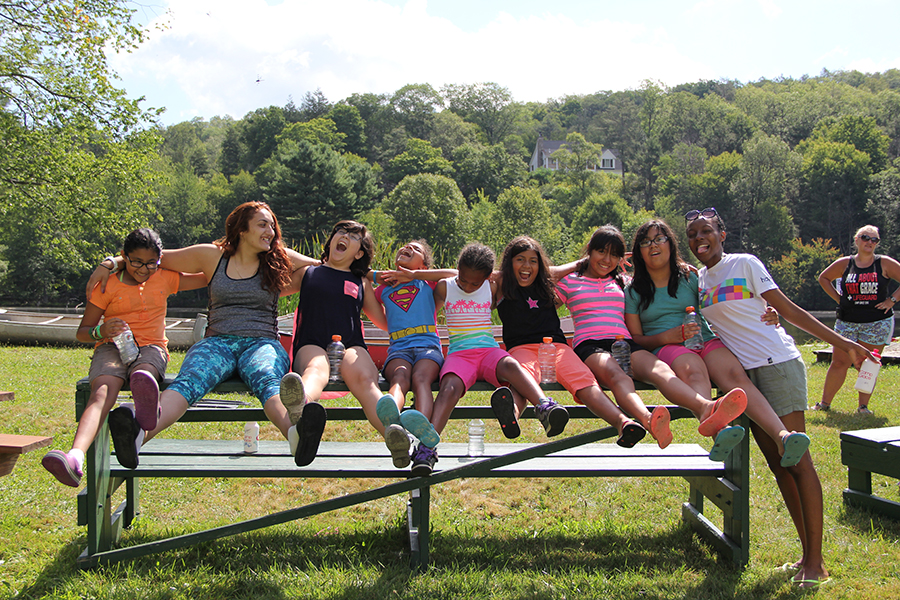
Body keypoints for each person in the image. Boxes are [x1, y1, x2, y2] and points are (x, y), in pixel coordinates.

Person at [685, 207, 877, 589]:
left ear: (722, 234)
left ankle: (816, 563)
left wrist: (842, 342)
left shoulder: (744, 263)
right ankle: (807, 555)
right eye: (692, 234)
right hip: (744, 378)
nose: (699, 238)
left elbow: (788, 310)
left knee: (798, 462)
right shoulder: (699, 280)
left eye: (706, 231)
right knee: (778, 465)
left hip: (777, 365)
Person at [84, 202, 320, 469]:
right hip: (217, 342)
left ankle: (296, 434)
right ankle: (138, 435)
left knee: (267, 379)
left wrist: (303, 259)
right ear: (242, 229)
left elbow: (318, 267)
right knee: (190, 381)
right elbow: (153, 258)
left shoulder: (276, 262)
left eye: (272, 226)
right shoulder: (212, 256)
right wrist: (111, 262)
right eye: (262, 224)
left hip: (261, 343)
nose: (271, 231)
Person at [624, 219, 810, 468]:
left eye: (659, 239)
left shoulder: (691, 277)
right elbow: (636, 339)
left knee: (735, 375)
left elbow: (721, 299)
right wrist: (668, 337)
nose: (653, 245)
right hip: (668, 345)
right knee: (694, 371)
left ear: (671, 244)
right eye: (646, 242)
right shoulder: (634, 290)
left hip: (705, 338)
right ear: (639, 251)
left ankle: (782, 436)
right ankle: (719, 432)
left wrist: (766, 309)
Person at [555, 225, 749, 461]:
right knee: (618, 376)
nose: (606, 260)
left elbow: (654, 278)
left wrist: (681, 267)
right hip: (591, 344)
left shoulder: (623, 281)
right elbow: (543, 278)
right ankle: (647, 420)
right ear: (589, 251)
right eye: (601, 252)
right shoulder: (571, 281)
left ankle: (705, 407)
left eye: (614, 255)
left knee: (661, 370)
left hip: (625, 342)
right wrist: (579, 264)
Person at [42, 229, 206, 487]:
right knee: (101, 393)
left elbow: (208, 275)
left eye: (151, 263)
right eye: (136, 262)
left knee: (144, 372)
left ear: (159, 260)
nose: (144, 269)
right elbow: (83, 332)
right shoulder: (107, 285)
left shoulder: (164, 277)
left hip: (151, 347)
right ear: (124, 256)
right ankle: (75, 457)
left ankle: (145, 409)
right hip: (111, 347)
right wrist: (101, 331)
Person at [284, 221, 441, 469]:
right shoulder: (308, 272)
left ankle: (396, 438)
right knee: (315, 368)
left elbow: (386, 322)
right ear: (331, 240)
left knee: (367, 382)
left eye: (353, 236)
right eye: (341, 232)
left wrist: (415, 317)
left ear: (358, 254)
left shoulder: (361, 282)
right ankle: (301, 406)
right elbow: (275, 275)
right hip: (312, 341)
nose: (345, 236)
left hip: (351, 345)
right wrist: (313, 261)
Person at [495, 235, 672, 448]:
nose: (527, 266)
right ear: (509, 263)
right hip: (521, 348)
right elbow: (475, 275)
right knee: (524, 379)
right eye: (520, 260)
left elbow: (554, 271)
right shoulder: (502, 286)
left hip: (557, 347)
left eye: (533, 261)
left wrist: (585, 261)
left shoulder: (545, 282)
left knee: (585, 382)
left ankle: (623, 423)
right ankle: (511, 415)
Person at [413, 243, 571, 477]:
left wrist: (581, 263)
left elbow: (548, 273)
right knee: (448, 388)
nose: (468, 286)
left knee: (511, 364)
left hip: (488, 351)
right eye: (463, 280)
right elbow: (430, 312)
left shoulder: (493, 287)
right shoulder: (445, 287)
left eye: (475, 283)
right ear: (457, 270)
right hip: (460, 355)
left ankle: (544, 406)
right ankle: (427, 448)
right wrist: (413, 275)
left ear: (488, 277)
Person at [815, 224, 900, 414]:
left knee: (868, 365)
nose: (869, 242)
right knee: (839, 363)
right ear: (857, 240)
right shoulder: (845, 263)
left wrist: (891, 300)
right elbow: (823, 278)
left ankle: (863, 407)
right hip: (847, 322)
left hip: (877, 323)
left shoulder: (884, 263)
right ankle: (824, 404)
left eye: (874, 239)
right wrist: (839, 299)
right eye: (865, 237)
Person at [371, 239, 455, 421]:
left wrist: (416, 275)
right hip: (399, 349)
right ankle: (392, 417)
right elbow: (360, 277)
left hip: (428, 348)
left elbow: (457, 275)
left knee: (420, 378)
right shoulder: (383, 289)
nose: (408, 247)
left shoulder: (428, 284)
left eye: (416, 249)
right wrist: (380, 276)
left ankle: (421, 423)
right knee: (399, 376)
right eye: (405, 246)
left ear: (424, 267)